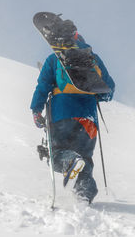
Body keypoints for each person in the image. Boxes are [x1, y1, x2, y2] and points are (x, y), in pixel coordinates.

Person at [30, 20, 115, 204]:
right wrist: (94, 97)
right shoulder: (93, 58)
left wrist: (36, 110)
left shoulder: (54, 59)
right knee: (85, 158)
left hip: (62, 114)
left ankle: (69, 161)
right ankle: (83, 197)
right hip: (88, 119)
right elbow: (109, 89)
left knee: (57, 154)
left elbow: (43, 86)